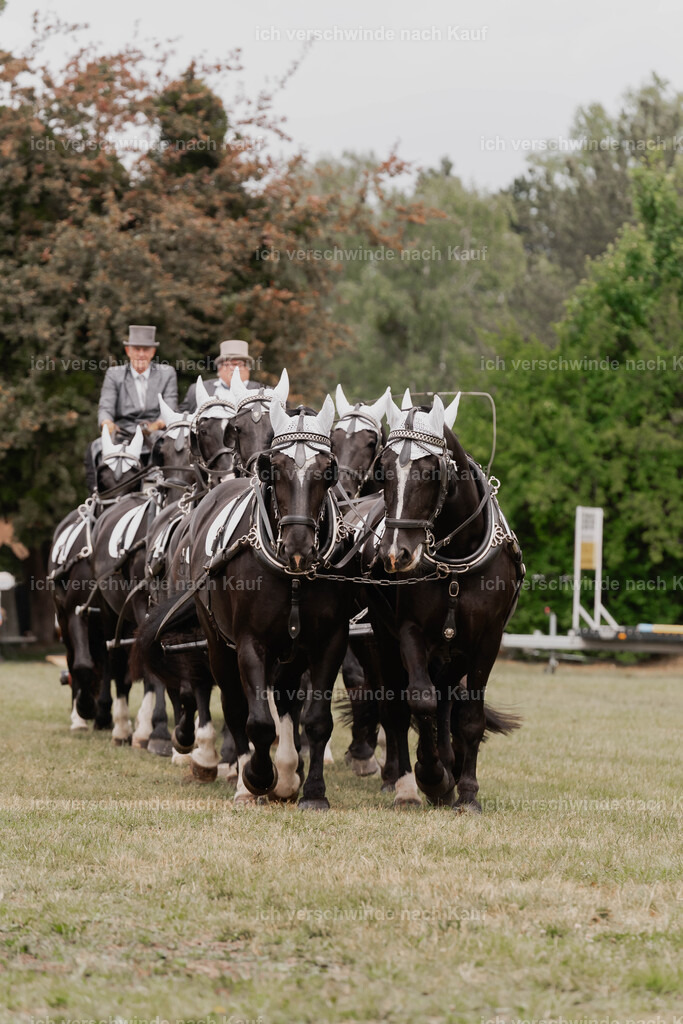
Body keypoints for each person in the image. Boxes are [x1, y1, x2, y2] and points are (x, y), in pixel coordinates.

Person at [84, 325, 178, 491]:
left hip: (154, 432)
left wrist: (156, 425)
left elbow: (170, 406)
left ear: (152, 352)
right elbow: (106, 405)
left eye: (145, 349)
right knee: (96, 447)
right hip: (124, 432)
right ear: (128, 351)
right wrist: (107, 423)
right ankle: (97, 492)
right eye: (137, 349)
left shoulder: (167, 373)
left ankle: (169, 489)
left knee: (175, 447)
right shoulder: (114, 374)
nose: (141, 354)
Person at [179, 339, 262, 413]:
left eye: (238, 364)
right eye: (227, 364)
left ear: (247, 368)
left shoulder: (262, 391)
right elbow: (182, 416)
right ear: (219, 369)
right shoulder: (198, 389)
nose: (233, 368)